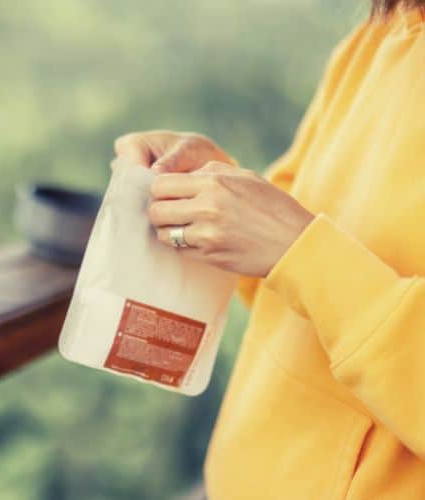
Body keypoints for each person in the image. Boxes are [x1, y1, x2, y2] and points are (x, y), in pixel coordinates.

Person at [115, 1, 425, 499]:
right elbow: (286, 290)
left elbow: (304, 258)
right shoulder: (378, 39)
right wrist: (215, 201)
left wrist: (298, 252)